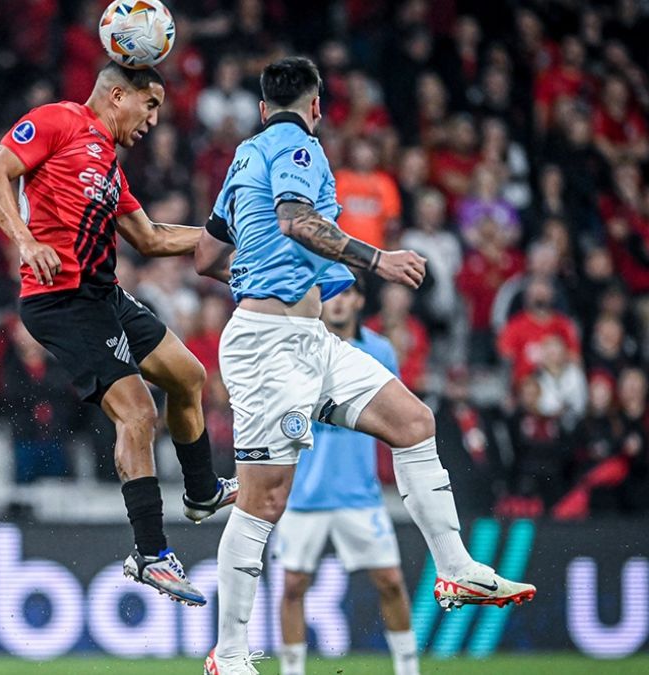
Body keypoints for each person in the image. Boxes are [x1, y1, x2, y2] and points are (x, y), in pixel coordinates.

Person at [194, 57, 535, 675]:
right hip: (269, 345)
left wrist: (255, 275)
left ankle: (455, 568)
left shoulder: (244, 157)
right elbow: (295, 220)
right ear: (316, 106)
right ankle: (230, 652)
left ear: (263, 107)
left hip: (310, 339)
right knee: (263, 501)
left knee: (414, 422)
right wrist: (378, 259)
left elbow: (206, 256)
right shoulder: (300, 147)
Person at [0, 61, 237, 606]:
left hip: (103, 295)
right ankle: (151, 553)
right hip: (61, 299)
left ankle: (202, 492)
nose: (154, 119)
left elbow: (152, 236)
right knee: (137, 412)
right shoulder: (58, 120)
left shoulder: (109, 166)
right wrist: (26, 242)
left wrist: (230, 237)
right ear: (118, 95)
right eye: (150, 104)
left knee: (188, 376)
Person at [275, 279, 419, 675]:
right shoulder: (298, 347)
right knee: (293, 586)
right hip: (304, 493)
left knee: (390, 580)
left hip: (359, 493)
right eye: (329, 293)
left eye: (346, 293)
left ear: (359, 300)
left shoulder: (380, 351)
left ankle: (408, 668)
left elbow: (396, 413)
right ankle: (292, 671)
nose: (337, 301)